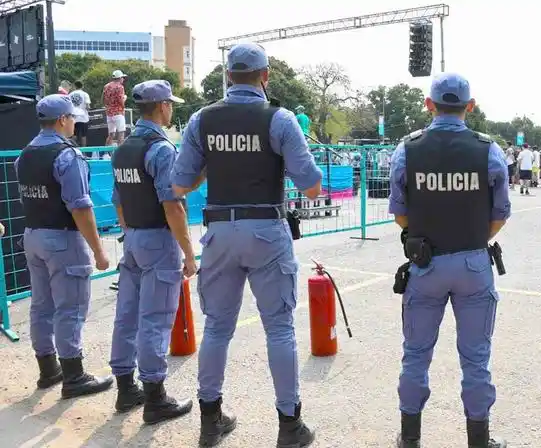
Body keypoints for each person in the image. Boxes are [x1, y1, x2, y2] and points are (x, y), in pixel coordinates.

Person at [170, 42, 322, 448]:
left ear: (227, 77)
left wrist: (213, 166)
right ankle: (290, 426)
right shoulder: (281, 119)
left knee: (217, 328)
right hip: (266, 231)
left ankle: (210, 419)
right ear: (265, 76)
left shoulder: (202, 119)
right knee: (280, 329)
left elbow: (180, 183)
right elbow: (311, 186)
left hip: (220, 232)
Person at [388, 72, 510, 448]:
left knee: (416, 354)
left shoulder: (407, 149)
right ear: (469, 107)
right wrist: (473, 240)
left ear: (429, 104)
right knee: (476, 357)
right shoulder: (488, 149)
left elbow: (399, 213)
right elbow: (500, 213)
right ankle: (479, 439)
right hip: (474, 265)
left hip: (426, 263)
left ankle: (410, 439)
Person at [15, 94, 113, 398]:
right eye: (72, 118)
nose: (74, 123)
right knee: (70, 307)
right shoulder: (68, 155)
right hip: (62, 239)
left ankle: (48, 369)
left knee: (41, 306)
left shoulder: (25, 154)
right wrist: (98, 250)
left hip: (33, 235)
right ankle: (74, 375)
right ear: (62, 120)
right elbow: (80, 207)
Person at [108, 80, 195, 424]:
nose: (171, 109)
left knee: (126, 315)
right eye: (170, 104)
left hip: (132, 239)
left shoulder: (123, 149)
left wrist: (130, 234)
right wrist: (188, 253)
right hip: (158, 240)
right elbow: (173, 206)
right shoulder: (161, 149)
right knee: (155, 319)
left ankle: (126, 388)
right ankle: (156, 398)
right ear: (162, 107)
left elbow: (119, 203)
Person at [104, 69, 128, 147]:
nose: (123, 79)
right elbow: (120, 101)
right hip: (118, 113)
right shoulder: (120, 87)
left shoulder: (106, 86)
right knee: (121, 134)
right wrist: (125, 98)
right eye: (122, 78)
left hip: (109, 113)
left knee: (111, 134)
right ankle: (119, 155)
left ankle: (106, 153)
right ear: (120, 78)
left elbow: (103, 98)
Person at [69, 81, 91, 148]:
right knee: (83, 136)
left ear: (75, 86)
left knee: (74, 135)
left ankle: (73, 150)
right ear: (82, 86)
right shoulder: (85, 94)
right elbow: (87, 107)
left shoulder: (70, 95)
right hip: (83, 118)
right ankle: (84, 153)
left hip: (73, 118)